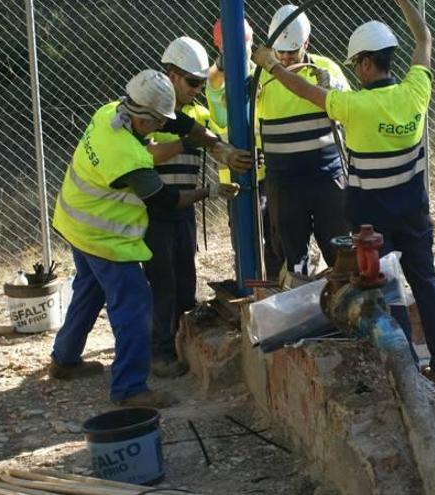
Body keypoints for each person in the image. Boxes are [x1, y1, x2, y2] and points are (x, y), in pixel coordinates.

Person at [251, 0, 435, 389]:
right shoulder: (416, 92)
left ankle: (406, 372)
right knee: (426, 283)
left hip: (372, 223)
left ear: (363, 64)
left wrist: (271, 66)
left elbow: (303, 90)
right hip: (414, 212)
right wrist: (407, 6)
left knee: (385, 292)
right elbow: (424, 38)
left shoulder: (354, 106)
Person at [48, 69, 247, 407]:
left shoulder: (112, 110)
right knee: (136, 305)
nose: (159, 128)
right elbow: (166, 201)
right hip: (103, 237)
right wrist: (210, 190)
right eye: (156, 123)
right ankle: (130, 389)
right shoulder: (129, 157)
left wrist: (217, 145)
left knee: (89, 289)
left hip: (73, 221)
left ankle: (65, 360)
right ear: (143, 119)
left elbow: (179, 124)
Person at [145, 37, 249, 377]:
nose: (196, 89)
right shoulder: (146, 112)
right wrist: (181, 142)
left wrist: (229, 155)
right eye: (192, 82)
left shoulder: (196, 113)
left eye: (200, 83)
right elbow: (144, 156)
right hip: (152, 213)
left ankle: (182, 343)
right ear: (171, 75)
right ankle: (159, 352)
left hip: (183, 210)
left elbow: (212, 139)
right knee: (162, 282)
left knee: (185, 279)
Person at [254, 5, 351, 284]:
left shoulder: (326, 69)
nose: (284, 59)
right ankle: (299, 315)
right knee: (290, 258)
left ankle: (346, 307)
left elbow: (349, 109)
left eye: (291, 52)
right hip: (284, 185)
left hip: (327, 180)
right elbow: (228, 109)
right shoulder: (259, 77)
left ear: (306, 44)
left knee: (341, 251)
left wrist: (332, 86)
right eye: (279, 53)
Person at [207, 18, 285, 282]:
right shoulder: (217, 80)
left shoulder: (260, 73)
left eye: (246, 44)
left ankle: (274, 287)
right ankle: (249, 287)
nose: (243, 51)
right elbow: (213, 83)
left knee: (274, 238)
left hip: (267, 173)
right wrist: (222, 63)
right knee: (244, 241)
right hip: (237, 178)